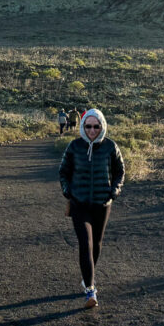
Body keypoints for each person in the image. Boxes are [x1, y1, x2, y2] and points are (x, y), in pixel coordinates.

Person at [58, 108, 124, 308]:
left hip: (102, 205)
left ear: (102, 126)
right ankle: (90, 290)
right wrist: (67, 191)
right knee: (85, 244)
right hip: (79, 204)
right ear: (82, 126)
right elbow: (63, 171)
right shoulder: (74, 146)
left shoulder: (111, 147)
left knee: (97, 244)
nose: (92, 130)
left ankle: (88, 276)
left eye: (96, 126)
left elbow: (120, 172)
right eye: (88, 126)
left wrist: (114, 191)